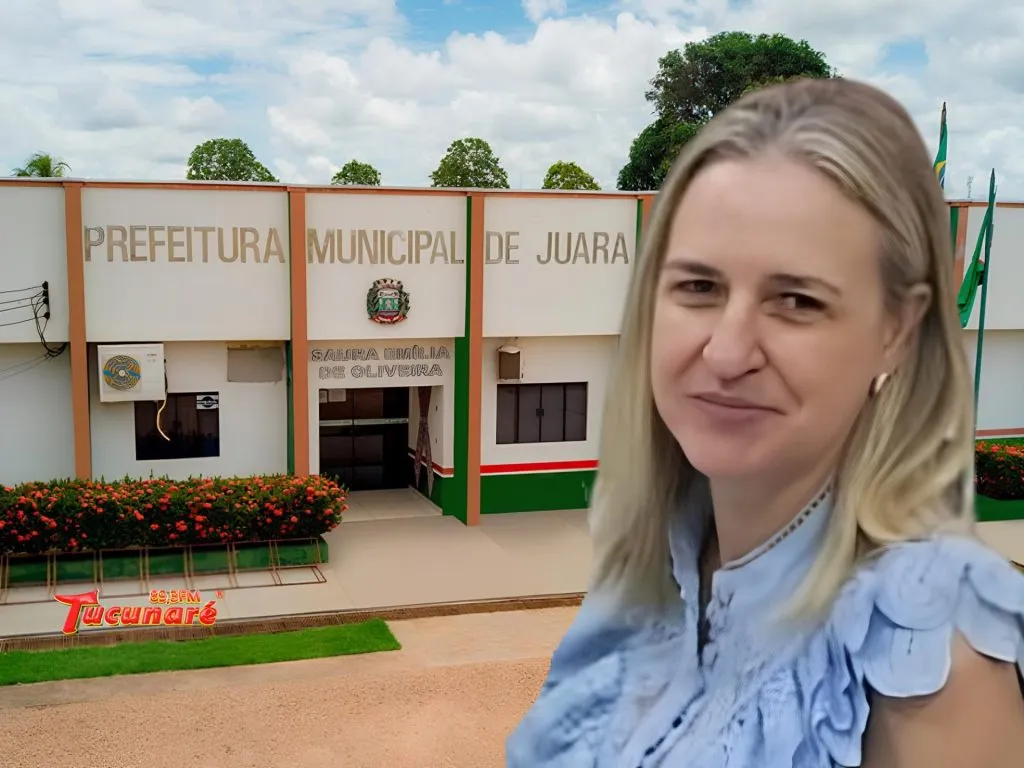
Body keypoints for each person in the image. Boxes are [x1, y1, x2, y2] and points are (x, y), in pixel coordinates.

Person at [506, 78, 1024, 767]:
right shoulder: (649, 567)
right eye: (699, 286)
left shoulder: (934, 652)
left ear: (897, 330)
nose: (726, 353)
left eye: (797, 300)